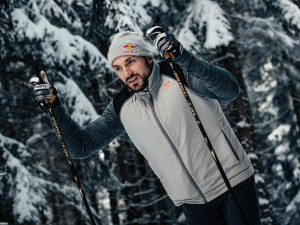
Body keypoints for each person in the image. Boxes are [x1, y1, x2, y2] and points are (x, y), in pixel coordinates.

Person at [32, 27, 261, 225]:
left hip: (233, 183)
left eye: (130, 61)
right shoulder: (121, 107)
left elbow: (230, 91)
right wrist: (56, 108)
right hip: (193, 203)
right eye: (118, 68)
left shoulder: (179, 73)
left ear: (148, 58)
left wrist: (182, 57)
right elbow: (80, 147)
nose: (126, 73)